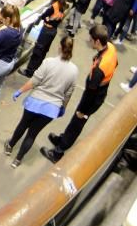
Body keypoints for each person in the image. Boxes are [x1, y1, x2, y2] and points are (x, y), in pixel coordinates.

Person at [40, 24, 117, 163]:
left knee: (77, 123)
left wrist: (83, 110)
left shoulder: (100, 68)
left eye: (91, 39)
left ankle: (58, 152)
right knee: (75, 121)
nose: (89, 40)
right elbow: (115, 64)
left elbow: (91, 93)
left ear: (97, 41)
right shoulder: (110, 48)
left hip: (92, 99)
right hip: (99, 92)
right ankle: (62, 139)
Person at [4, 36, 77, 168]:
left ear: (60, 47)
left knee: (23, 125)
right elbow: (68, 93)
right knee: (32, 134)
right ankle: (18, 160)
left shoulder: (48, 62)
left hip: (35, 102)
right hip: (51, 109)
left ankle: (10, 146)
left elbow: (34, 81)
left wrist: (20, 91)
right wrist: (63, 108)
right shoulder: (74, 70)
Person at [20, 0, 67, 77]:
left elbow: (44, 15)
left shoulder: (54, 6)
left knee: (37, 51)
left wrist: (46, 18)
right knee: (43, 51)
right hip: (53, 31)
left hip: (47, 30)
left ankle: (29, 71)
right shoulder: (63, 4)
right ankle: (37, 69)